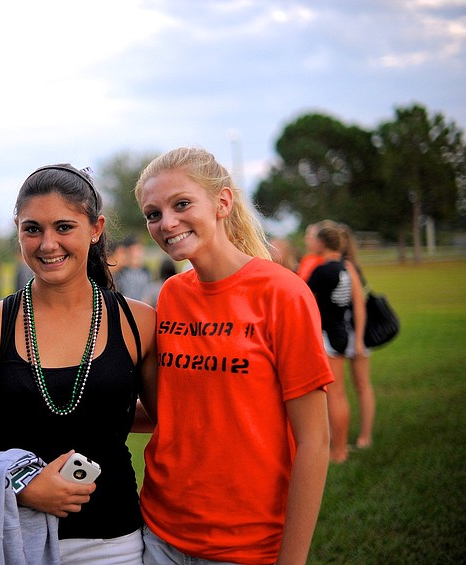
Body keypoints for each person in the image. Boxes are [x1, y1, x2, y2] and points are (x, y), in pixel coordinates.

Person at [0, 163, 157, 564]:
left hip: (116, 545)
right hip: (13, 541)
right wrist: (24, 487)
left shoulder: (138, 322)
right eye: (32, 229)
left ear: (95, 229)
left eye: (64, 227)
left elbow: (171, 418)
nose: (47, 244)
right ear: (17, 230)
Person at [134, 147, 333, 565]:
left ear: (223, 202)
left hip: (247, 544)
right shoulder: (171, 295)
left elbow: (315, 440)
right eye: (153, 214)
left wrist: (291, 560)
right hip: (159, 531)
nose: (167, 223)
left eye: (182, 204)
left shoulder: (282, 293)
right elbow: (173, 409)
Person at [306, 224, 358, 464]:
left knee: (334, 396)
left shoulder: (323, 271)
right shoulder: (344, 268)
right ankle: (338, 447)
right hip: (340, 334)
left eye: (313, 239)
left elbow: (303, 298)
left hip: (328, 336)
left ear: (321, 244)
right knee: (338, 394)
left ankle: (339, 451)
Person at [339, 223, 374, 449]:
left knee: (361, 385)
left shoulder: (347, 266)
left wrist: (359, 340)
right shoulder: (339, 265)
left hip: (354, 334)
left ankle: (365, 436)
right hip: (344, 333)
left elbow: (359, 306)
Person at [114, 234, 152, 301]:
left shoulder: (146, 271)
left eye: (139, 249)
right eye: (134, 250)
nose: (137, 254)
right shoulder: (120, 272)